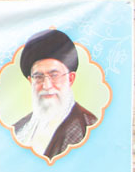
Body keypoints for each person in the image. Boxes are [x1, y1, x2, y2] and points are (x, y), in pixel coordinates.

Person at [13, 28, 98, 159]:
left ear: (70, 79)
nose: (47, 86)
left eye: (54, 75)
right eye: (38, 77)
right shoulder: (19, 129)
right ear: (30, 81)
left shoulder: (90, 127)